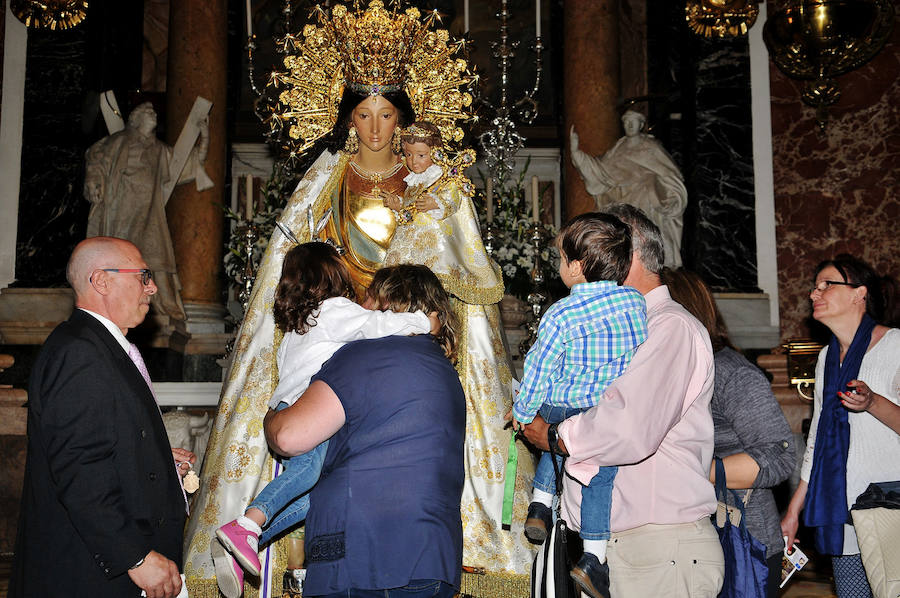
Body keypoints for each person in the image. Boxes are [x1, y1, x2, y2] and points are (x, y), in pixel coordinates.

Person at [183, 4, 536, 594]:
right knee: (318, 457)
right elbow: (291, 264)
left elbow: (459, 267)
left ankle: (268, 525)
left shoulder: (435, 187)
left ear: (405, 118)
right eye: (365, 113)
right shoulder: (325, 182)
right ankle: (270, 534)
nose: (375, 128)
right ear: (347, 117)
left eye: (387, 113)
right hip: (337, 339)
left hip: (393, 349)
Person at [521, 203, 725, 597]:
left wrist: (551, 434)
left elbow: (627, 427)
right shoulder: (615, 330)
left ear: (623, 257)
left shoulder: (669, 327)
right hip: (624, 545)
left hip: (658, 544)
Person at [211, 242, 434, 598]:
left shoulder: (298, 326)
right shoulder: (334, 310)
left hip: (288, 407)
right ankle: (250, 522)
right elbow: (375, 325)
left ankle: (243, 542)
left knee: (318, 494)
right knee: (310, 474)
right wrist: (423, 320)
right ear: (330, 273)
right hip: (306, 410)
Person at [263, 265, 466, 598]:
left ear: (386, 302)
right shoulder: (445, 372)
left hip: (364, 556)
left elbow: (289, 436)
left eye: (366, 296)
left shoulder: (363, 355)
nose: (358, 307)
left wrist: (273, 413)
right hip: (432, 557)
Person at [10, 237, 195, 598]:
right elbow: (80, 470)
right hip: (88, 575)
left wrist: (152, 455)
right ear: (102, 281)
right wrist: (137, 558)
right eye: (143, 276)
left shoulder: (99, 345)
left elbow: (100, 438)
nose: (153, 286)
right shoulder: (80, 352)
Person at [509, 213, 647, 598]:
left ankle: (539, 504)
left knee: (551, 449)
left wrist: (522, 412)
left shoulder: (562, 313)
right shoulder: (636, 304)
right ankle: (593, 559)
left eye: (559, 259)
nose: (558, 268)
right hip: (601, 415)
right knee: (599, 482)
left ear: (577, 265)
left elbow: (539, 368)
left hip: (560, 407)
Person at [662, 267, 796, 598]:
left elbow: (779, 455)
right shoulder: (669, 372)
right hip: (685, 539)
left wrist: (693, 471)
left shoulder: (730, 373)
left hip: (742, 538)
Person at [780, 254, 900, 598]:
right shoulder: (826, 358)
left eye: (826, 285)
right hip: (842, 507)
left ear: (857, 294)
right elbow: (817, 437)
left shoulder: (895, 346)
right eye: (814, 286)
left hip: (889, 507)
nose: (814, 293)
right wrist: (793, 510)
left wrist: (872, 402)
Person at [84, 101, 212, 322]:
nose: (153, 114)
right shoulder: (117, 142)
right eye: (147, 111)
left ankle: (159, 305)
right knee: (120, 259)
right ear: (134, 119)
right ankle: (114, 302)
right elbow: (96, 162)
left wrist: (205, 136)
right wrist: (94, 181)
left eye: (154, 111)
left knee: (155, 257)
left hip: (149, 214)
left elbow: (190, 163)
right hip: (122, 210)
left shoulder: (159, 150)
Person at [570, 110, 688, 267]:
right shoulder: (618, 149)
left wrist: (671, 195)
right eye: (626, 121)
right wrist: (576, 152)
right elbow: (600, 172)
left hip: (646, 200)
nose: (630, 125)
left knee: (646, 244)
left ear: (641, 125)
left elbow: (670, 173)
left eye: (634, 121)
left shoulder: (650, 147)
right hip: (623, 203)